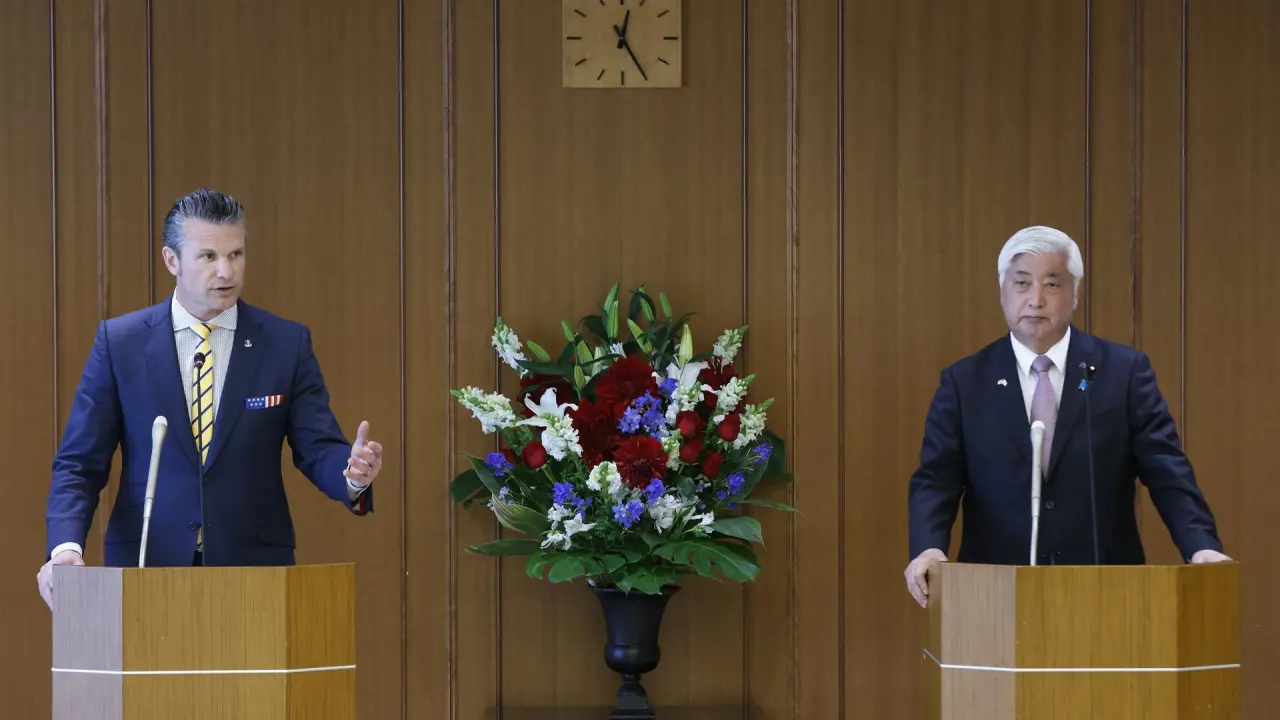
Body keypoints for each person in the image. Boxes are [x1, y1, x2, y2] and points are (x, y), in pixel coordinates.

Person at [37, 188, 383, 609]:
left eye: (236, 254)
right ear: (172, 261)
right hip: (148, 566)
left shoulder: (284, 344)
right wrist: (65, 547)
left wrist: (352, 475)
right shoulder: (121, 343)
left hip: (255, 570)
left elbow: (318, 448)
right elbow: (79, 463)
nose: (226, 271)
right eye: (208, 256)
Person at [904, 225, 1229, 608]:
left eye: (1052, 284)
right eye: (1022, 283)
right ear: (1002, 292)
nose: (1035, 300)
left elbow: (1166, 468)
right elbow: (937, 478)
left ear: (1075, 294)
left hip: (1104, 588)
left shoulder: (1123, 372)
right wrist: (929, 548)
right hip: (995, 592)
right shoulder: (965, 381)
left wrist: (1200, 546)